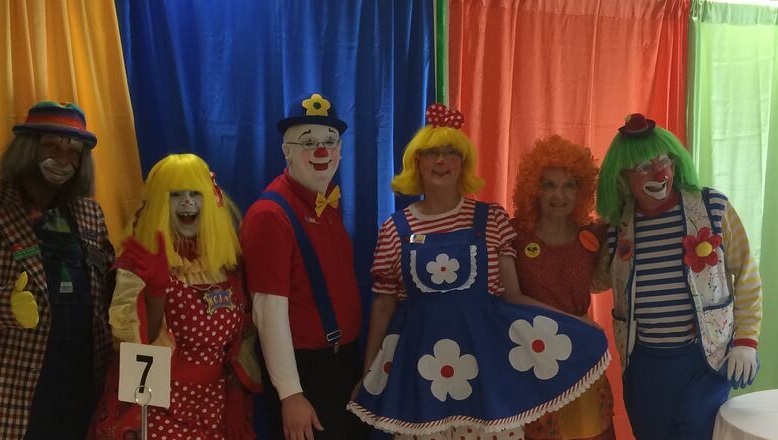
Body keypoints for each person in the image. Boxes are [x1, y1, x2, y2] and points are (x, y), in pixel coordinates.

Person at [348, 104, 611, 439]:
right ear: (417, 162)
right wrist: (369, 371)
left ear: (463, 163)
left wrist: (574, 323)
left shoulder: (492, 219)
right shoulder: (394, 229)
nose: (440, 161)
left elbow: (512, 296)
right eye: (431, 153)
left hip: (485, 365)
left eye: (450, 152)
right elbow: (384, 307)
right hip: (418, 367)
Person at [595, 114, 763, 440]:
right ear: (622, 178)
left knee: (697, 432)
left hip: (705, 359)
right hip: (645, 364)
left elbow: (746, 273)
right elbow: (595, 280)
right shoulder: (619, 228)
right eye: (644, 167)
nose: (660, 173)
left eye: (663, 161)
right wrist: (574, 239)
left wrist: (746, 341)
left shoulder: (712, 207)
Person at [90, 153, 260, 439]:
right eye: (175, 195)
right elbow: (136, 349)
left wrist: (234, 401)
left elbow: (241, 338)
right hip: (158, 407)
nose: (187, 202)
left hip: (214, 407)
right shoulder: (140, 263)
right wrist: (155, 291)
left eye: (195, 193)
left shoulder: (225, 265)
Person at [240, 93, 366, 440]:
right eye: (308, 142)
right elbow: (267, 311)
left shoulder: (328, 206)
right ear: (287, 151)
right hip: (306, 373)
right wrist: (291, 394)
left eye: (330, 142)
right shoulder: (271, 215)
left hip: (342, 365)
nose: (321, 151)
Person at [0, 101, 115, 439]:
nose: (63, 158)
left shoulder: (90, 213)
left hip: (83, 381)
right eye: (52, 146)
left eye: (73, 151)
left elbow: (110, 286)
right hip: (14, 386)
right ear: (28, 148)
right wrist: (5, 306)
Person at [511, 135, 614, 440]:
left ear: (581, 190)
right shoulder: (514, 235)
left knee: (588, 430)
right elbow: (507, 298)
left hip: (581, 357)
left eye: (569, 185)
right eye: (549, 184)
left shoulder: (594, 235)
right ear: (534, 189)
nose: (560, 194)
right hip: (528, 356)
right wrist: (573, 321)